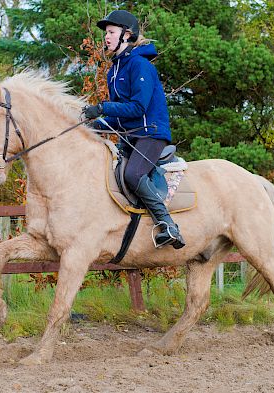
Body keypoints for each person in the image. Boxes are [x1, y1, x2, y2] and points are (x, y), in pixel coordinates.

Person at [83, 10, 185, 249]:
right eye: (106, 33)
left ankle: (168, 225)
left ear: (126, 35)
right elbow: (120, 117)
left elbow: (138, 108)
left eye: (111, 32)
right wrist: (94, 125)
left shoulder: (140, 65)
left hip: (151, 133)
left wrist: (102, 108)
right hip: (131, 136)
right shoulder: (113, 71)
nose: (106, 37)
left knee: (133, 175)